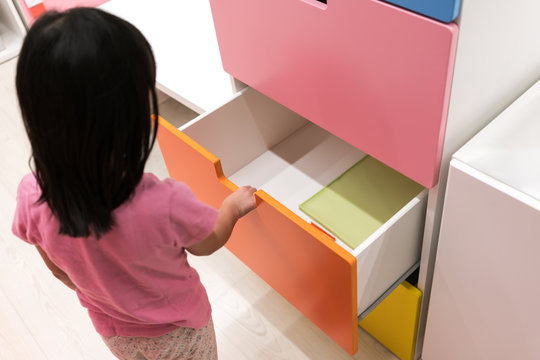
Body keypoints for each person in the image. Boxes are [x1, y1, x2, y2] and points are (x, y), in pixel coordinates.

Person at [12, 7, 257, 360]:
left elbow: (57, 269)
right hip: (181, 331)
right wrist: (231, 208)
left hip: (113, 330)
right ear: (129, 118)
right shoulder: (163, 201)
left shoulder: (31, 195)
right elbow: (209, 241)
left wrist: (107, 289)